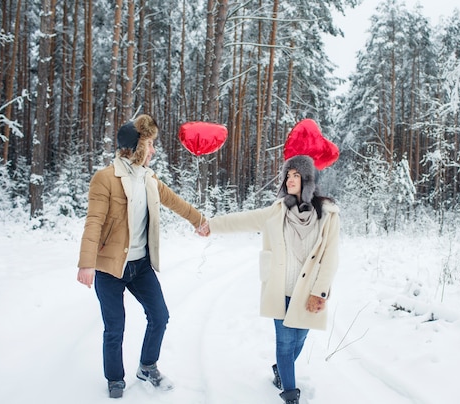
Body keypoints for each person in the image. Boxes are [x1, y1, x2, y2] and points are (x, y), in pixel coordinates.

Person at [77, 114, 206, 399]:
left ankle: (147, 366)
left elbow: (175, 201)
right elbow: (94, 221)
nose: (154, 151)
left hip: (140, 267)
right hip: (110, 268)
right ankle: (115, 378)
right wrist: (86, 263)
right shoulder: (106, 178)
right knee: (115, 327)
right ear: (136, 148)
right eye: (149, 145)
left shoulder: (149, 178)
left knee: (160, 316)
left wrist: (199, 220)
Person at [196, 154, 340, 404]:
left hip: (308, 291)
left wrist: (320, 292)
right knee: (285, 343)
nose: (290, 179)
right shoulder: (276, 212)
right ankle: (290, 392)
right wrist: (212, 225)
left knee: (300, 339)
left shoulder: (327, 215)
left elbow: (330, 256)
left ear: (308, 180)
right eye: (288, 175)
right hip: (280, 288)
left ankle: (281, 369)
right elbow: (243, 219)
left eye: (296, 175)